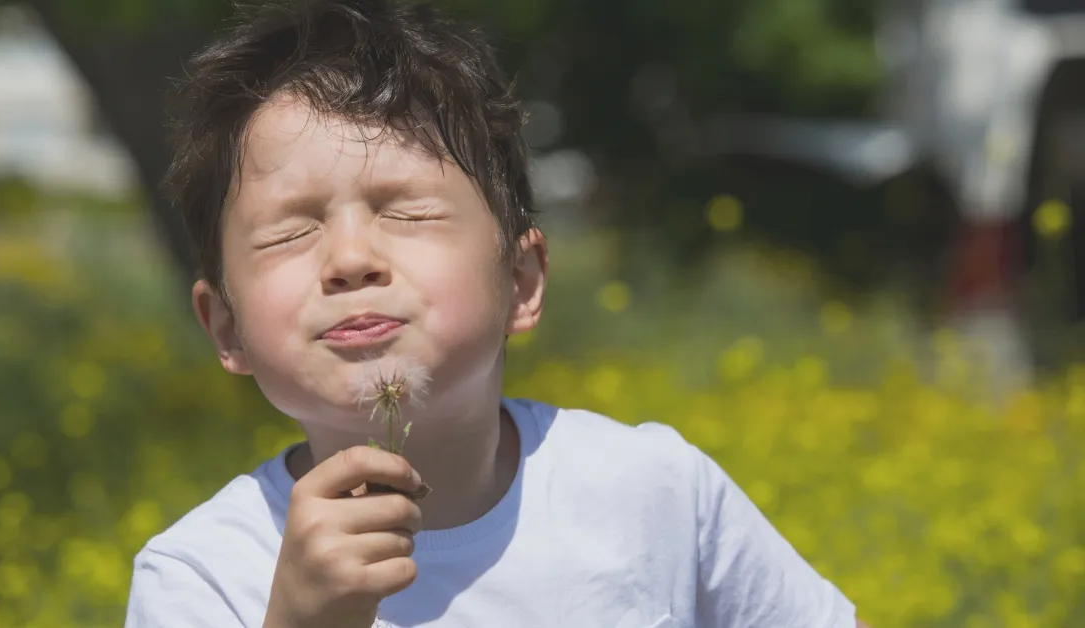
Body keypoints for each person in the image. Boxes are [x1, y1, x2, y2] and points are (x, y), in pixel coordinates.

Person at [124, 1, 871, 626]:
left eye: (407, 213)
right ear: (225, 327)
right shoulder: (202, 577)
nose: (350, 259)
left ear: (521, 279)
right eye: (290, 232)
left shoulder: (657, 492)